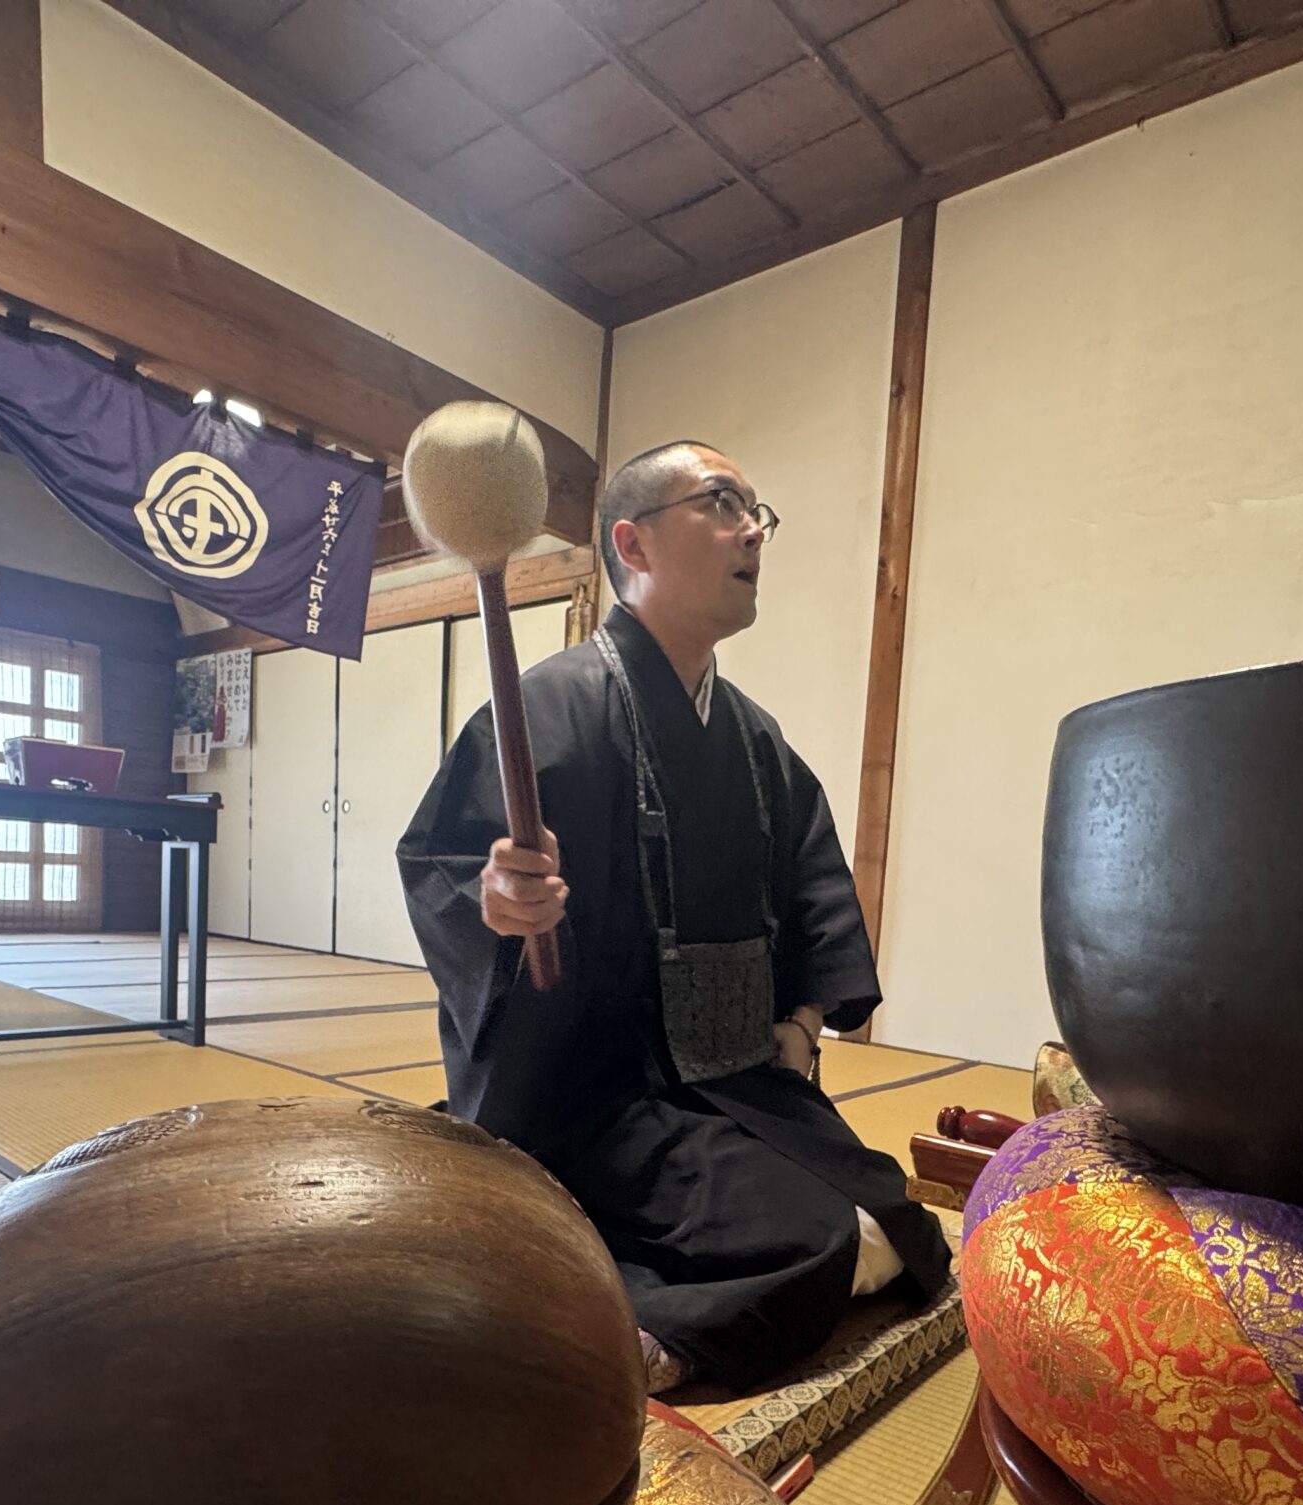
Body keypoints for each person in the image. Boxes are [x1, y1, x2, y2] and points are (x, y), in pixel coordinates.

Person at [397, 440, 952, 1393]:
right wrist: (497, 903)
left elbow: (812, 889)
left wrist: (802, 1025)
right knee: (816, 1243)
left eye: (757, 515)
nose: (752, 532)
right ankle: (619, 1322)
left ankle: (565, 1255)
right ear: (634, 544)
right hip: (598, 1090)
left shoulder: (752, 735)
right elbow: (455, 870)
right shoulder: (548, 711)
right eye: (723, 503)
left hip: (740, 1078)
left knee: (899, 1224)